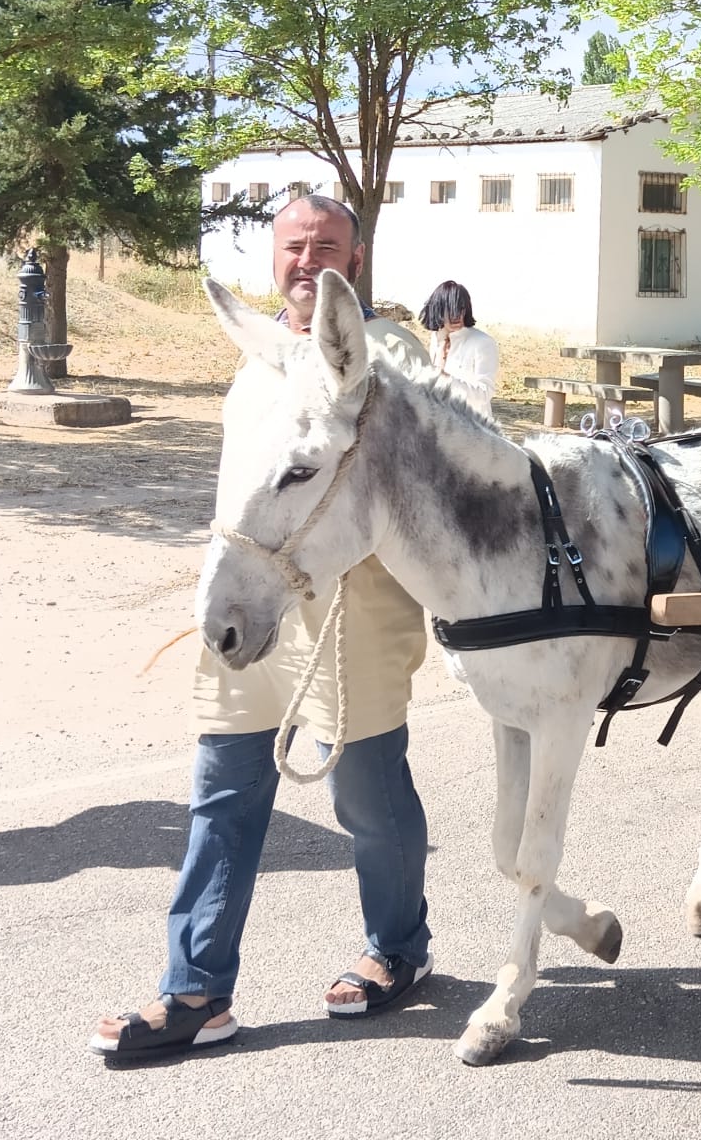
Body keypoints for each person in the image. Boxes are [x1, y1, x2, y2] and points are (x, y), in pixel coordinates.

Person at [91, 194, 435, 1061]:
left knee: (368, 798)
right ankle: (195, 990)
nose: (308, 259)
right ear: (272, 256)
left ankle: (399, 945)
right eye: (293, 245)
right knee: (223, 792)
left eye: (326, 245)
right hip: (251, 609)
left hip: (349, 616)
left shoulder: (387, 354)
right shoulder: (255, 364)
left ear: (354, 259)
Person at [419, 279, 498, 419]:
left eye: (461, 308)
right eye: (450, 309)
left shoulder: (483, 343)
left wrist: (445, 379)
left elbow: (485, 394)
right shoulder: (436, 338)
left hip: (472, 429)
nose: (456, 316)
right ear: (438, 309)